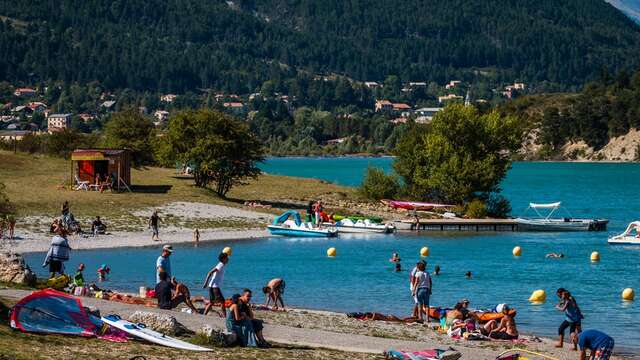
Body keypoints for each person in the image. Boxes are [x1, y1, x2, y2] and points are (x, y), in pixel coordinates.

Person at [203, 252, 229, 317]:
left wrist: (207, 284)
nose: (228, 259)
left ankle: (204, 315)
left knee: (211, 302)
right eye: (227, 258)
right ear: (223, 259)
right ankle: (225, 317)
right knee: (222, 301)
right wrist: (205, 283)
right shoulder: (220, 265)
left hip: (212, 286)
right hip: (215, 287)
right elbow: (210, 273)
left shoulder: (221, 265)